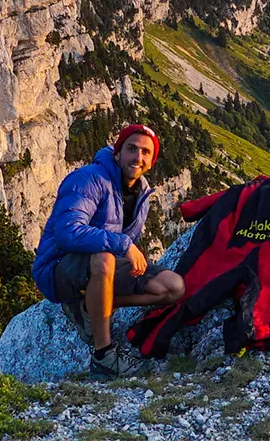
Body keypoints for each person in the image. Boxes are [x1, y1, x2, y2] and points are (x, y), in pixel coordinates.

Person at [31, 124, 185, 377]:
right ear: (117, 153)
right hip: (58, 268)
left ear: (152, 161)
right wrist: (123, 245)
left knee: (173, 286)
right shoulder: (89, 179)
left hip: (101, 269)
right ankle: (104, 355)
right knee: (104, 257)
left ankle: (89, 305)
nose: (138, 157)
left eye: (145, 152)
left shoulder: (142, 192)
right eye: (131, 149)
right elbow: (67, 231)